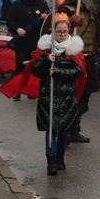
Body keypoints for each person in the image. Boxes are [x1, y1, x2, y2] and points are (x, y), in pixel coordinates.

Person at [31, 14, 86, 175]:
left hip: (67, 96)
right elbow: (35, 70)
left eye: (64, 31)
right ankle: (51, 161)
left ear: (68, 31)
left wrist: (58, 71)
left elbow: (78, 71)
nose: (61, 34)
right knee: (50, 130)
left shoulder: (74, 49)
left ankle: (60, 157)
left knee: (63, 131)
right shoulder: (45, 48)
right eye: (58, 31)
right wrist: (47, 60)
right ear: (53, 32)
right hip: (48, 94)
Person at [56, 0, 100, 142]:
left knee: (85, 94)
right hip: (70, 59)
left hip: (88, 58)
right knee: (70, 95)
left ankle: (74, 129)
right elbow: (54, 31)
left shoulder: (91, 13)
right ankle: (64, 129)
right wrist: (69, 22)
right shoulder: (65, 10)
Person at [6, 0, 49, 86]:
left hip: (37, 40)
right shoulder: (17, 4)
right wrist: (17, 28)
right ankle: (17, 88)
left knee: (35, 66)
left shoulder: (42, 3)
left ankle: (32, 89)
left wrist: (45, 17)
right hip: (22, 40)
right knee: (20, 66)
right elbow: (10, 20)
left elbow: (49, 20)